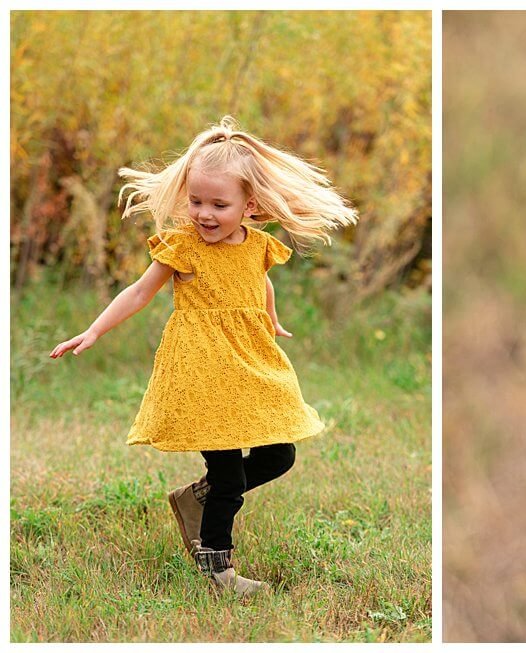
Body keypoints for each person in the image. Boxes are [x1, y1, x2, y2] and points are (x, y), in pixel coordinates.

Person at [50, 116, 358, 597]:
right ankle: (218, 569)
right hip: (202, 370)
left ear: (249, 205)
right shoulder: (183, 246)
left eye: (219, 204)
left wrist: (270, 320)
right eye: (196, 202)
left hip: (250, 361)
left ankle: (196, 500)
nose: (204, 214)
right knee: (229, 475)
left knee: (280, 454)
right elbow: (138, 292)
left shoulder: (257, 245)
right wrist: (93, 330)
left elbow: (262, 280)